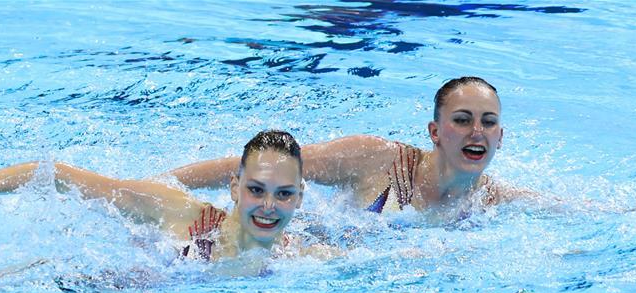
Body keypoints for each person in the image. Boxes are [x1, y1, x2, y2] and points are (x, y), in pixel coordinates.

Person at [0, 130, 326, 263]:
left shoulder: (294, 256)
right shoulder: (180, 214)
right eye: (255, 190)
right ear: (233, 187)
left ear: (301, 198)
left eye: (283, 194)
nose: (268, 207)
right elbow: (49, 174)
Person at [166, 77, 527, 215]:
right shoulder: (376, 157)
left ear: (500, 136)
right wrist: (163, 185)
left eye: (488, 122)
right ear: (434, 131)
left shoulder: (492, 201)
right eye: (462, 120)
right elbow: (262, 164)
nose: (476, 131)